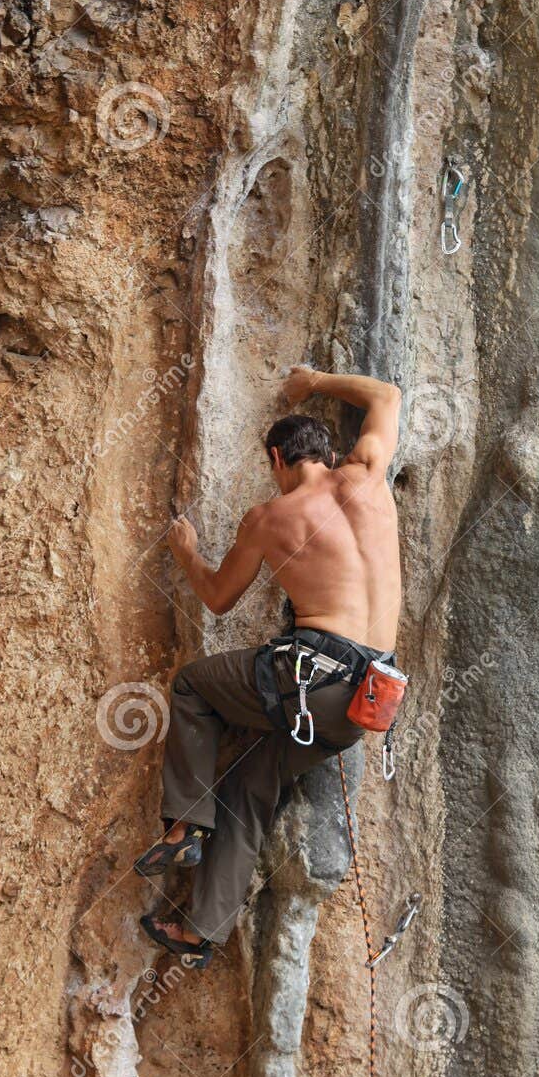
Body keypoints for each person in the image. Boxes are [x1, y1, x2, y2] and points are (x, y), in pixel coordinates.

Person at [137, 364, 403, 966]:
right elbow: (386, 395)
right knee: (250, 787)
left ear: (279, 461)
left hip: (308, 677)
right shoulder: (369, 475)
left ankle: (183, 827)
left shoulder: (269, 519)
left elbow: (217, 595)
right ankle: (202, 930)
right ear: (329, 452)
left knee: (192, 689)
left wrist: (186, 553)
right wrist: (312, 381)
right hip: (368, 700)